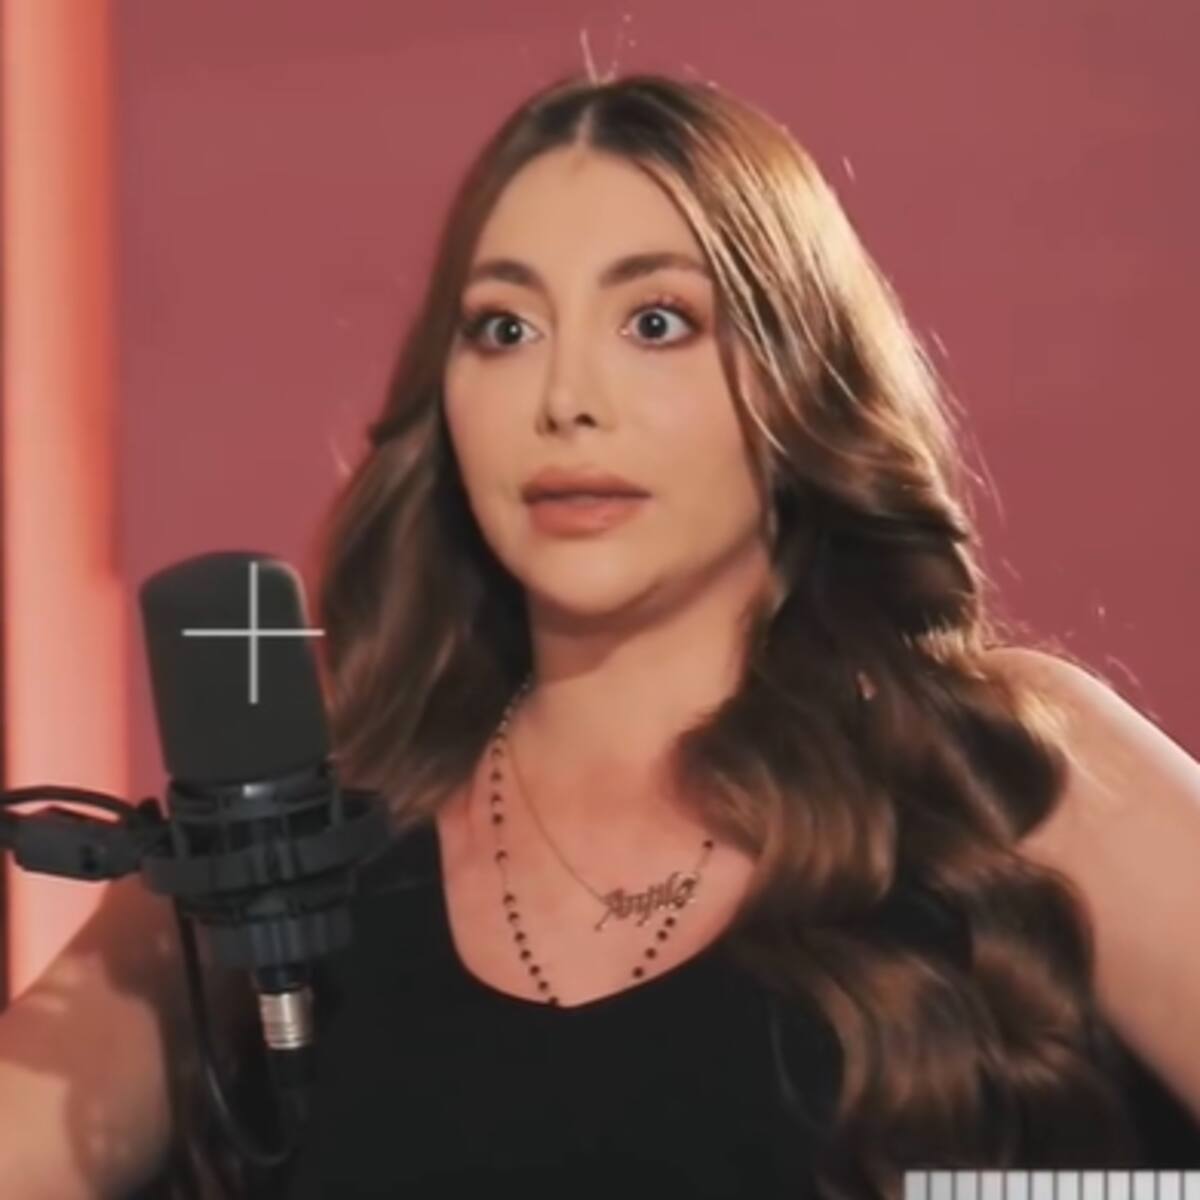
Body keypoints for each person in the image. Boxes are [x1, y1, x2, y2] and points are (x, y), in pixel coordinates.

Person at [1, 69, 1198, 1200]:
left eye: (658, 321)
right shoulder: (285, 855)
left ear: (798, 378)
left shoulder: (1008, 773)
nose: (566, 398)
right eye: (504, 329)